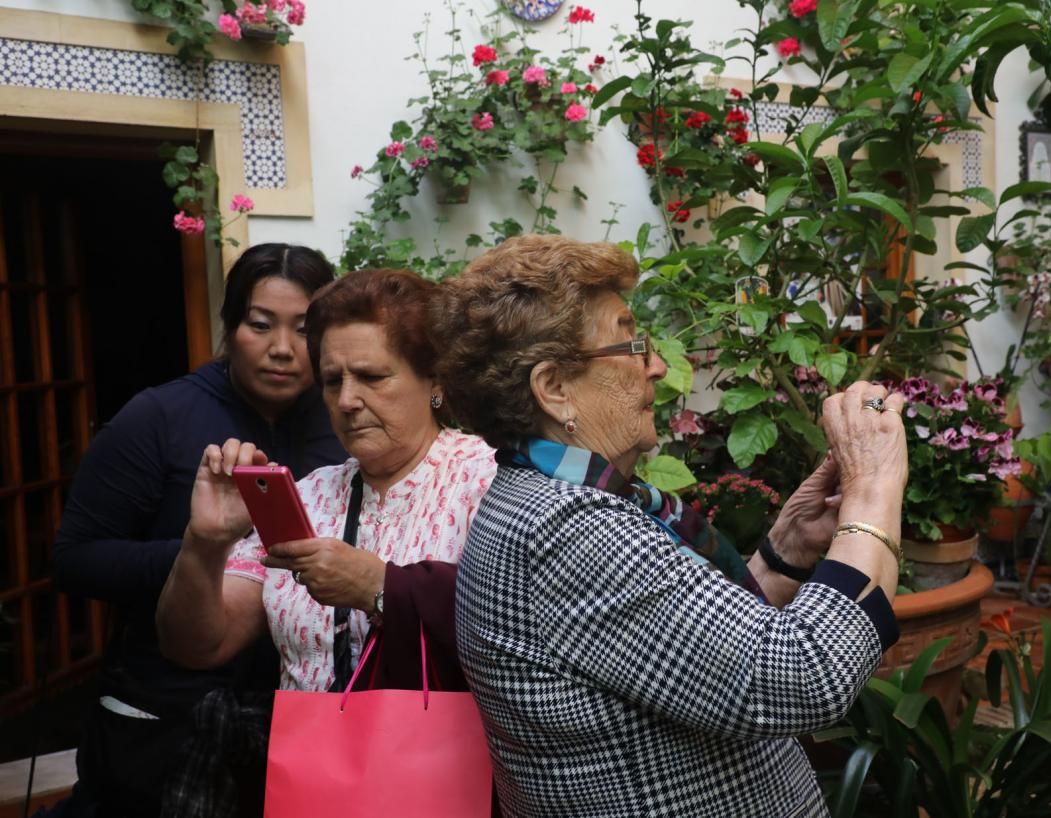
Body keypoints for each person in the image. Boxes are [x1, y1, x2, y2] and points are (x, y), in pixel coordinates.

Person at [431, 234, 906, 818]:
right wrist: (874, 487)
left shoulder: (546, 499)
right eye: (631, 342)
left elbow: (678, 646)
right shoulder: (568, 529)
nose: (655, 365)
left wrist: (784, 553)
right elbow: (803, 675)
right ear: (553, 389)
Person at [53, 243, 344, 818]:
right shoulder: (158, 418)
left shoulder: (342, 419)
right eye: (260, 325)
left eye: (303, 330)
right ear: (230, 325)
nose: (282, 349)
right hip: (166, 712)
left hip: (298, 718)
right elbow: (75, 558)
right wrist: (211, 555)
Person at [155, 267, 495, 703]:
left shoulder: (487, 481)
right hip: (314, 764)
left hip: (435, 759)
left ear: (435, 381)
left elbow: (530, 633)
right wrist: (204, 542)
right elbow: (198, 646)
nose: (348, 401)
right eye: (333, 381)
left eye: (372, 377)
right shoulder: (308, 496)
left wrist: (380, 589)